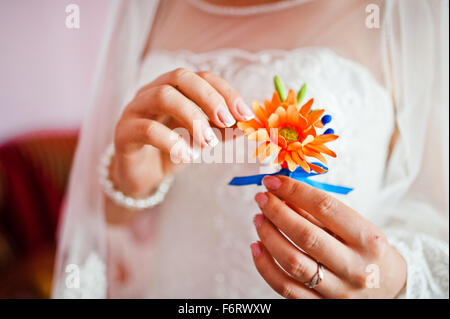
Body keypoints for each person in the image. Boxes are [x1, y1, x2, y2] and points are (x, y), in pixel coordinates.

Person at [52, 0, 449, 298]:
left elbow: (437, 215)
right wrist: (131, 180)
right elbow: (103, 225)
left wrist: (395, 281)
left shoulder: (407, 13)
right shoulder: (152, 8)